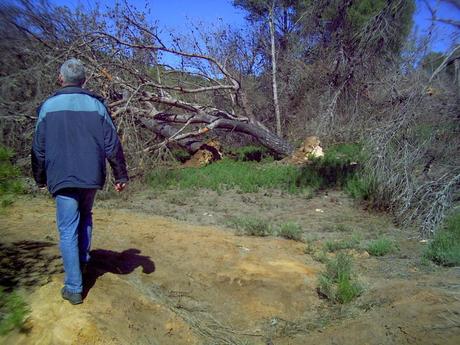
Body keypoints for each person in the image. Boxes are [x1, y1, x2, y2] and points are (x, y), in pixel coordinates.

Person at [31, 58, 128, 305]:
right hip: (90, 176)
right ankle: (83, 263)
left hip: (62, 177)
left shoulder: (48, 106)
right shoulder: (96, 105)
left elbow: (38, 148)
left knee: (67, 229)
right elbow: (112, 143)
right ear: (84, 80)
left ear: (61, 79)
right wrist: (120, 175)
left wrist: (40, 178)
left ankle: (74, 287)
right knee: (85, 216)